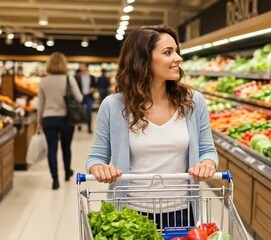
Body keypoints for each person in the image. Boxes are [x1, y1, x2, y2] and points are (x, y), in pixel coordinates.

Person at [85, 25, 218, 228]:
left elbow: (208, 150)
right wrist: (100, 169)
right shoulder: (113, 106)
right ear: (143, 60)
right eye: (168, 52)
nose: (178, 58)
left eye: (176, 51)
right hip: (130, 214)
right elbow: (96, 158)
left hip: (182, 213)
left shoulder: (192, 102)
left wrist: (207, 164)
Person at [37, 52, 83, 190]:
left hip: (48, 118)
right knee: (66, 147)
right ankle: (67, 172)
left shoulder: (44, 81)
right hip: (66, 118)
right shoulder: (69, 79)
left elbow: (40, 104)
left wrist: (39, 122)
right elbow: (80, 98)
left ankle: (55, 179)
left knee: (52, 149)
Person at [75, 63, 97, 133]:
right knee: (79, 111)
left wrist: (93, 89)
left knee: (89, 112)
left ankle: (89, 127)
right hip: (80, 96)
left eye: (83, 66)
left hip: (89, 96)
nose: (81, 67)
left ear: (87, 67)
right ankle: (79, 125)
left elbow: (95, 86)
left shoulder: (92, 77)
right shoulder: (77, 77)